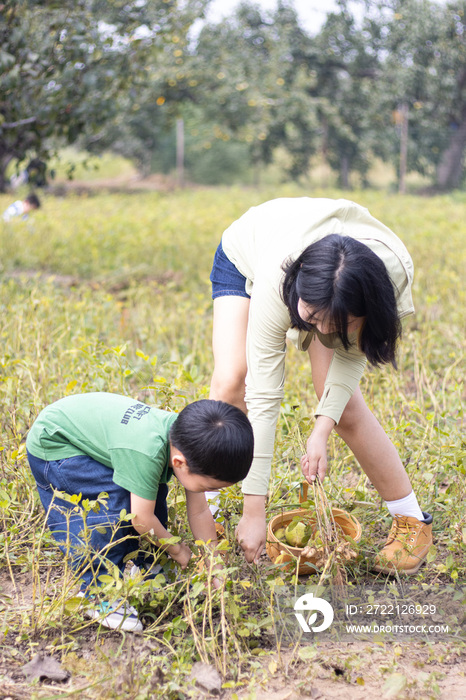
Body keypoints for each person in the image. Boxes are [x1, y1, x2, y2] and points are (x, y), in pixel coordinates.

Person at [207, 196, 433, 575]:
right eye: (313, 319)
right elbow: (263, 396)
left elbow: (350, 356)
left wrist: (322, 428)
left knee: (344, 407)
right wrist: (254, 508)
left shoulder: (384, 281)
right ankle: (205, 510)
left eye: (338, 326)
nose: (324, 334)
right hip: (250, 254)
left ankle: (412, 522)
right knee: (233, 379)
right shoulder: (278, 277)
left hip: (335, 289)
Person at [26, 392, 254, 631]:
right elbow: (141, 519)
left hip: (83, 434)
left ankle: (146, 564)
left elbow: (199, 512)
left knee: (146, 492)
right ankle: (98, 594)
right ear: (179, 464)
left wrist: (214, 564)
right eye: (210, 487)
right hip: (55, 447)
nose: (210, 492)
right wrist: (178, 551)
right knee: (115, 504)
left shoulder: (192, 443)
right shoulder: (149, 452)